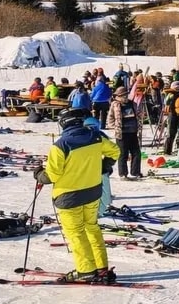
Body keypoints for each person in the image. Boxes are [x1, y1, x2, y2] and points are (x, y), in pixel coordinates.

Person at [34, 110, 120, 283]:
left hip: (69, 196)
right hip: (93, 192)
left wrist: (39, 175)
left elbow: (53, 175)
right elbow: (114, 151)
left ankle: (86, 270)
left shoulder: (61, 145)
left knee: (76, 233)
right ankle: (101, 267)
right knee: (92, 227)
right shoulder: (95, 136)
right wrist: (103, 167)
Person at [107, 87, 142, 179]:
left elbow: (138, 114)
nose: (125, 97)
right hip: (122, 133)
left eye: (126, 95)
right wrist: (115, 126)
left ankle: (135, 172)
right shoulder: (115, 105)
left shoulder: (132, 103)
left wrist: (139, 122)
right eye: (123, 95)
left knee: (136, 153)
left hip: (133, 132)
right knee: (123, 154)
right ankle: (123, 174)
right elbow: (110, 118)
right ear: (118, 96)